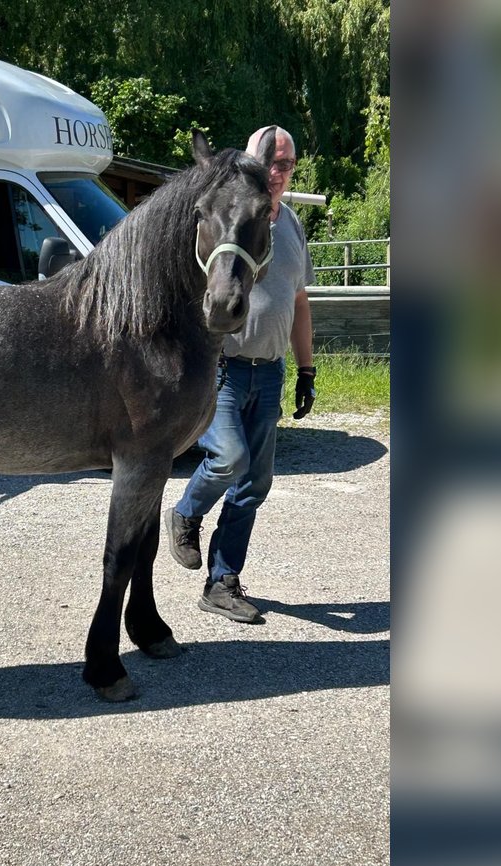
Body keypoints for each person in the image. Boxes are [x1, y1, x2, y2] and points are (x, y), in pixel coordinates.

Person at [163, 124, 316, 622]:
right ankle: (186, 512)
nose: (276, 171)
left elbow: (298, 301)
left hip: (269, 371)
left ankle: (222, 583)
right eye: (268, 161)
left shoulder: (291, 225)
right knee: (229, 458)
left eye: (285, 163)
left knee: (255, 483)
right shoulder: (224, 215)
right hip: (223, 367)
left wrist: (307, 369)